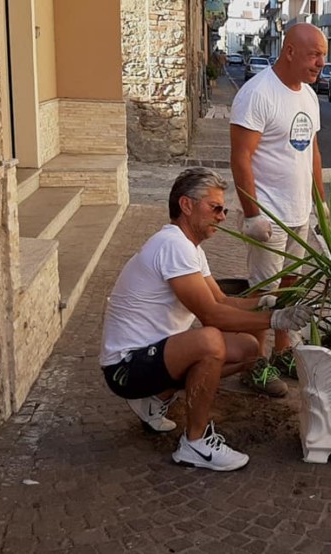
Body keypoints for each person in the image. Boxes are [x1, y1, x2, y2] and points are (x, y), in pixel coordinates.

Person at [99, 167, 313, 472]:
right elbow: (211, 314)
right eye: (215, 208)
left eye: (223, 209)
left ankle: (154, 399)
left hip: (152, 356)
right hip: (125, 368)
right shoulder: (173, 245)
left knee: (248, 349)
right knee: (210, 341)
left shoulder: (190, 248)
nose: (222, 217)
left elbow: (222, 300)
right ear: (186, 205)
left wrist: (267, 302)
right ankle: (195, 443)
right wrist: (275, 319)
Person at [229, 23, 329, 397]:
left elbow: (312, 151)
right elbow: (241, 157)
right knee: (264, 292)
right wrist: (252, 214)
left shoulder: (309, 96)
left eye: (323, 55)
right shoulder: (258, 94)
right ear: (289, 51)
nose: (321, 63)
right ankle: (255, 363)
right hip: (269, 217)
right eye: (314, 54)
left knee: (291, 285)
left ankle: (283, 351)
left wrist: (320, 202)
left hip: (298, 212)